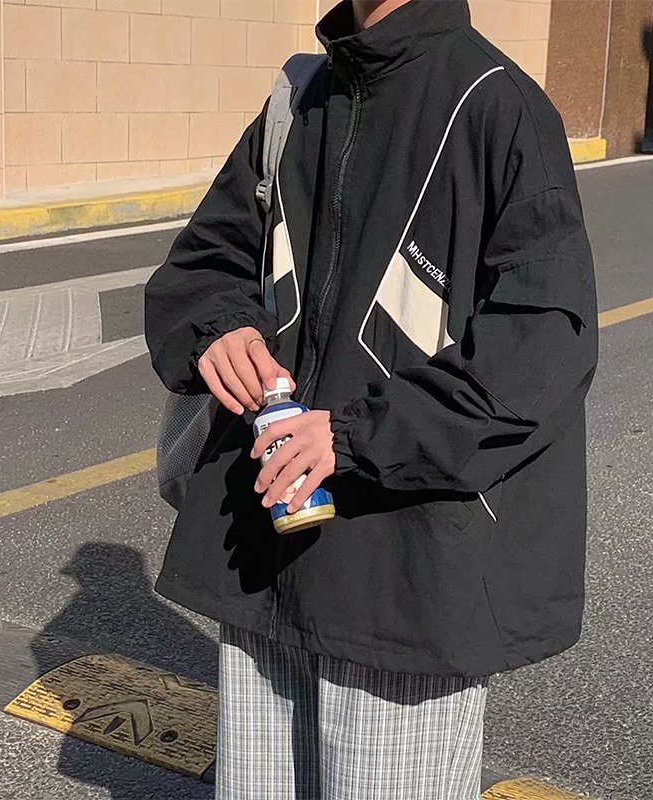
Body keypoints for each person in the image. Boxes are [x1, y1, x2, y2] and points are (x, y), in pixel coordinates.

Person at [144, 1, 598, 798]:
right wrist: (220, 327)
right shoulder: (300, 99)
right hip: (263, 554)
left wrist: (356, 437)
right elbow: (208, 259)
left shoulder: (497, 106)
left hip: (406, 582)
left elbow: (542, 346)